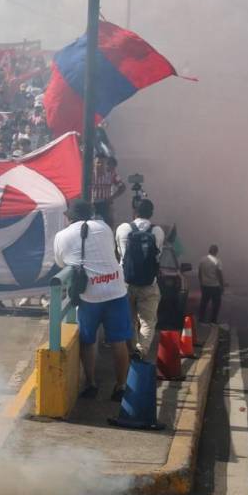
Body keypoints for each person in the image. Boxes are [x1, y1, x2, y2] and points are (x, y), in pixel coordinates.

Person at [54, 199, 133, 401]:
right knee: (119, 341)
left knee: (88, 342)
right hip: (116, 290)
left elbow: (61, 262)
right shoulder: (104, 227)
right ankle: (121, 386)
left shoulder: (61, 236)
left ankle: (91, 384)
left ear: (68, 217)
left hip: (90, 295)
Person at [115, 199, 165, 357]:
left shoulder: (123, 229)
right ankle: (140, 351)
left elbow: (119, 253)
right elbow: (158, 256)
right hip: (149, 284)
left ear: (134, 211)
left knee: (128, 320)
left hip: (126, 283)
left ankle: (130, 351)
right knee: (148, 322)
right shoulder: (158, 231)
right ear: (151, 213)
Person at [91, 153, 126, 228]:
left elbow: (122, 187)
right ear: (94, 163)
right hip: (91, 204)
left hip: (105, 203)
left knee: (109, 224)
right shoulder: (89, 175)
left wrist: (112, 198)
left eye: (103, 163)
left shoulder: (112, 174)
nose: (100, 165)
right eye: (98, 163)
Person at [198, 244, 225, 324]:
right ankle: (213, 320)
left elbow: (199, 273)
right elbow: (219, 274)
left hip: (205, 285)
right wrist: (222, 285)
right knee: (216, 304)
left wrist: (201, 283)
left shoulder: (202, 260)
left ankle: (201, 319)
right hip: (215, 286)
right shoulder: (217, 261)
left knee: (204, 302)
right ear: (216, 252)